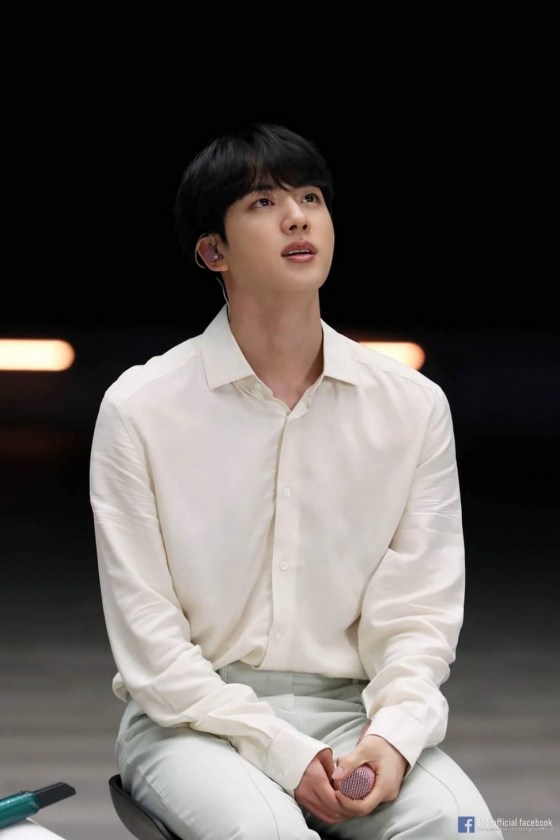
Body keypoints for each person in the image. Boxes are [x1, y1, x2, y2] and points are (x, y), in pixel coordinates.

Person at [90, 123, 503, 839]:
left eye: (310, 197)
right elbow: (151, 643)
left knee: (461, 825)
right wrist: (284, 751)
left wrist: (395, 737)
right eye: (262, 203)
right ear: (212, 251)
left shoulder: (411, 406)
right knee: (270, 833)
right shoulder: (141, 407)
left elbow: (420, 618)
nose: (297, 217)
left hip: (353, 714)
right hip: (189, 723)